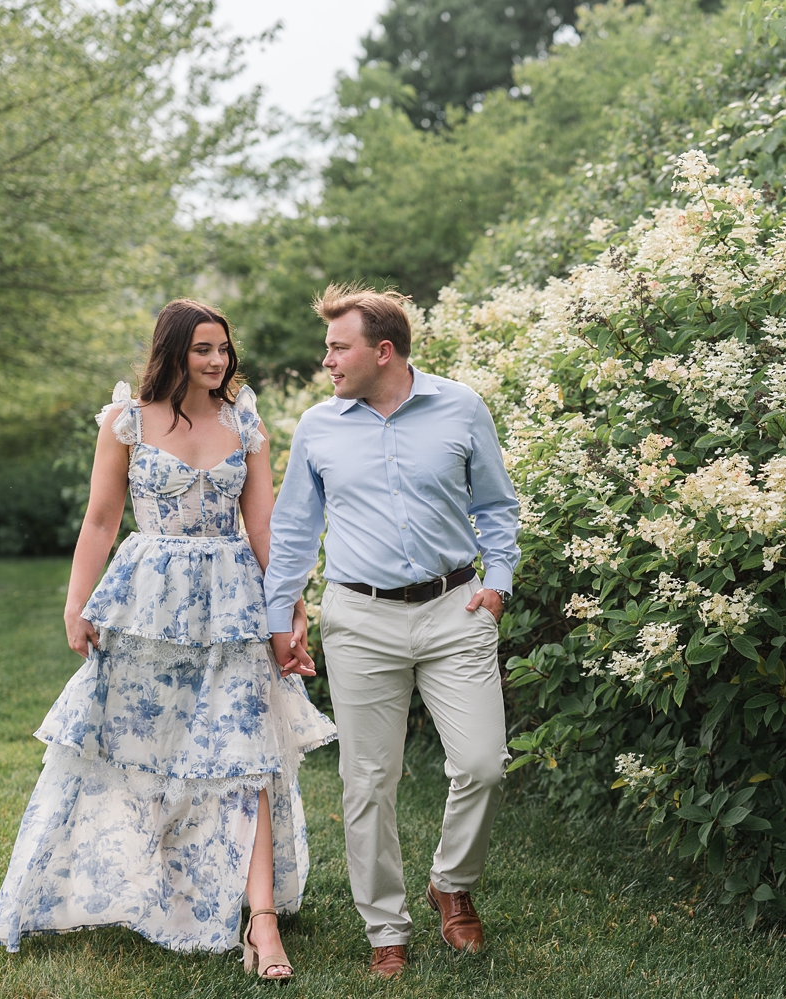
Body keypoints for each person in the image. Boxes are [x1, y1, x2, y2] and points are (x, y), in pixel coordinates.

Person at [0, 299, 337, 983]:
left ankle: (260, 919)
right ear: (172, 351)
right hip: (147, 600)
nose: (217, 361)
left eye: (223, 350)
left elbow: (265, 530)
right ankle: (145, 882)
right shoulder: (127, 422)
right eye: (203, 348)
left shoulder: (246, 422)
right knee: (138, 745)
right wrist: (75, 603)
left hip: (232, 600)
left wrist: (291, 608)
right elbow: (100, 519)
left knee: (245, 753)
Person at [264, 283, 520, 978]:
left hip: (455, 607)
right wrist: (278, 618)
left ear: (383, 350)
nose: (327, 361)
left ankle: (451, 882)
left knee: (482, 763)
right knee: (368, 779)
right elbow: (293, 530)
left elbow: (497, 506)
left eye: (337, 347)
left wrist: (497, 582)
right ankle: (387, 928)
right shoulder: (320, 425)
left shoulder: (461, 407)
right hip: (360, 616)